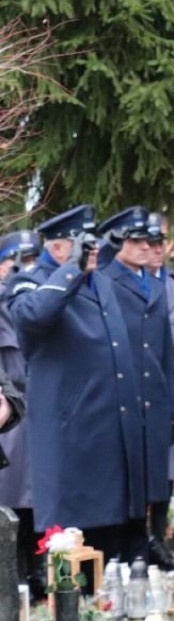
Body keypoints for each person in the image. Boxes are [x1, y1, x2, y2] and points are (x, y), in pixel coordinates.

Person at [6, 205, 148, 563]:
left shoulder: (98, 278)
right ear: (58, 248)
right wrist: (71, 272)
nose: (94, 253)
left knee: (113, 538)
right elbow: (31, 317)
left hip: (110, 429)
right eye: (85, 244)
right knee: (73, 541)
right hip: (72, 436)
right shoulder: (31, 279)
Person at [98, 206, 174, 571]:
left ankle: (140, 558)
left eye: (148, 240)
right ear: (116, 243)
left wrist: (173, 403)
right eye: (135, 240)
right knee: (121, 491)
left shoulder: (154, 283)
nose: (145, 247)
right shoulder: (104, 280)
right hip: (122, 403)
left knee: (149, 488)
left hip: (154, 402)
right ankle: (117, 564)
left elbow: (163, 349)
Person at [146, 213, 174, 570]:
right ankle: (140, 540)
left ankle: (159, 538)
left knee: (171, 466)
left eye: (161, 243)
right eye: (150, 243)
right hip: (142, 379)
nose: (156, 250)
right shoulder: (129, 285)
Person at [0, 231, 39, 597]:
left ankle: (30, 572)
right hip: (10, 422)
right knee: (12, 497)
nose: (22, 270)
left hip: (26, 411)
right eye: (16, 262)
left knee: (32, 500)